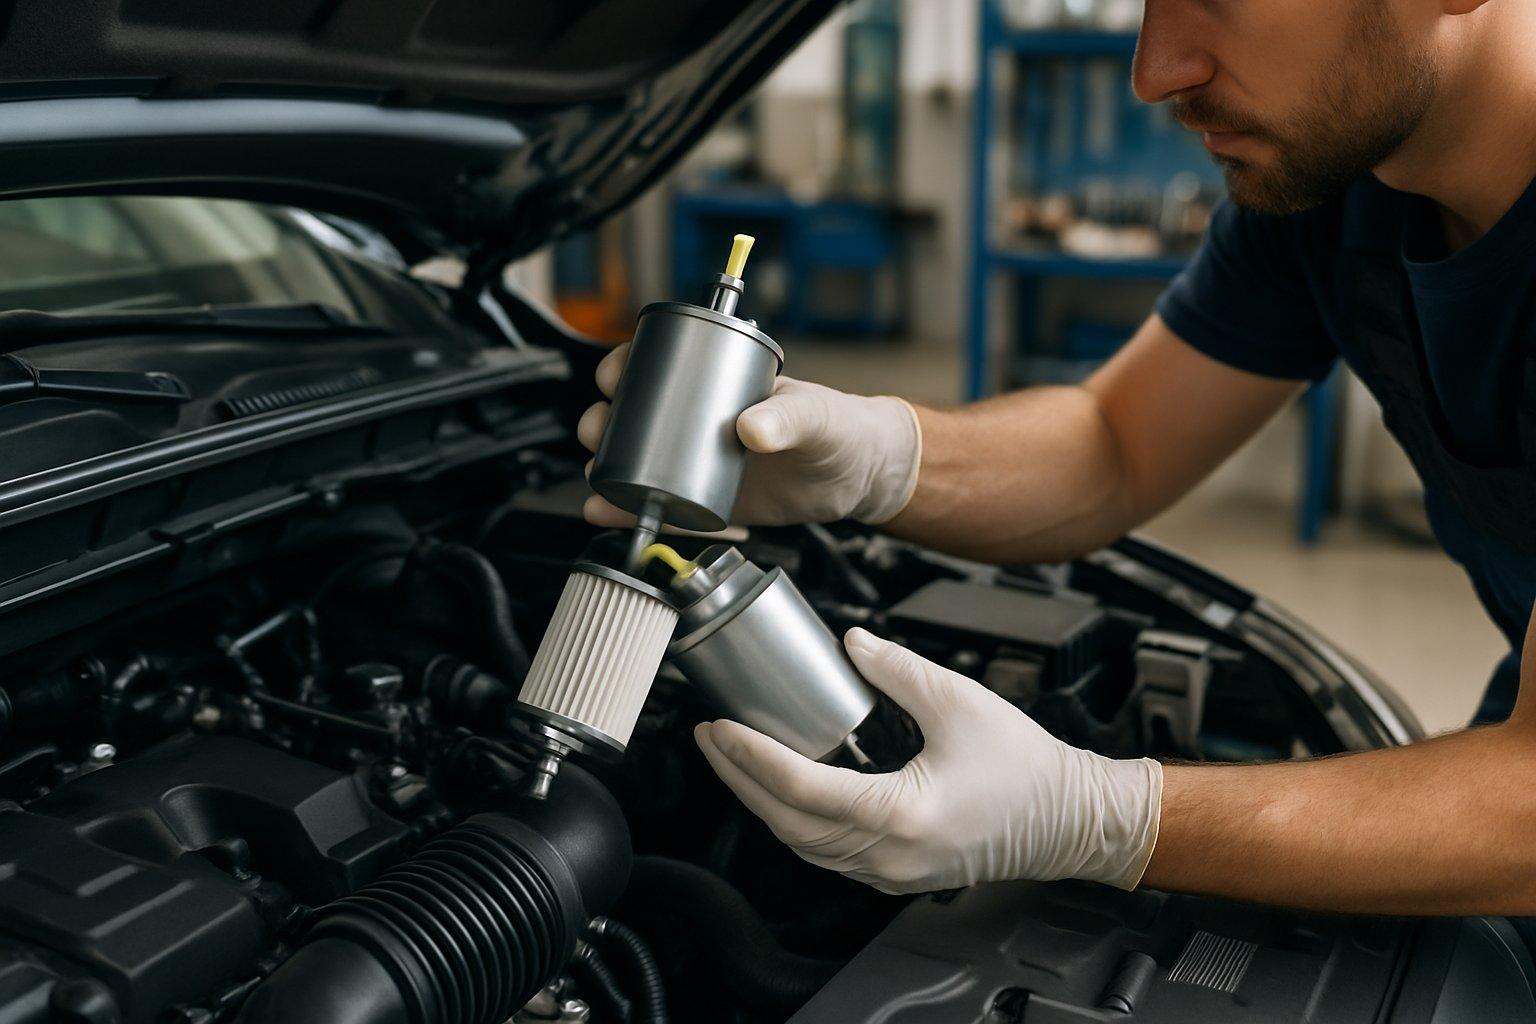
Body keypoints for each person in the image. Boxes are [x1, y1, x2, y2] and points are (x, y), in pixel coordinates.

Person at [579, 0, 1536, 915]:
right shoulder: (1339, 187)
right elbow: (1114, 445)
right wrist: (877, 459)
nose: (1155, 71)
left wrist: (1099, 817)